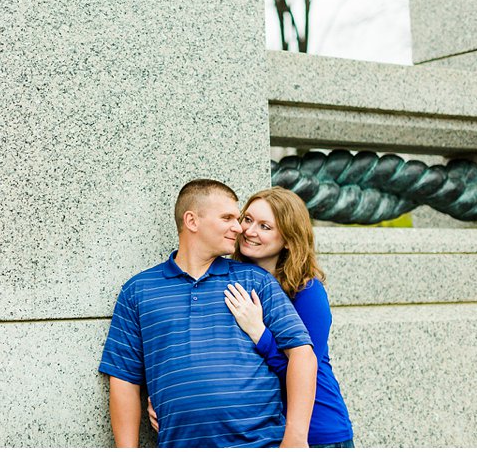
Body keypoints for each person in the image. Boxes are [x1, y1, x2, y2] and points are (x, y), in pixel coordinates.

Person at [99, 179, 317, 448]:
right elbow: (123, 379)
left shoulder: (255, 280)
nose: (239, 228)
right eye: (228, 218)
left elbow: (302, 354)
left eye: (238, 218)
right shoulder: (138, 291)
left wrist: (295, 439)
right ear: (192, 221)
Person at [149, 186, 354, 448]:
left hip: (316, 429)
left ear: (289, 239)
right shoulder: (233, 280)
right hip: (266, 431)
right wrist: (166, 391)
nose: (249, 231)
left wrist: (259, 333)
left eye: (265, 226)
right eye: (247, 220)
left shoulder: (307, 291)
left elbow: (305, 366)